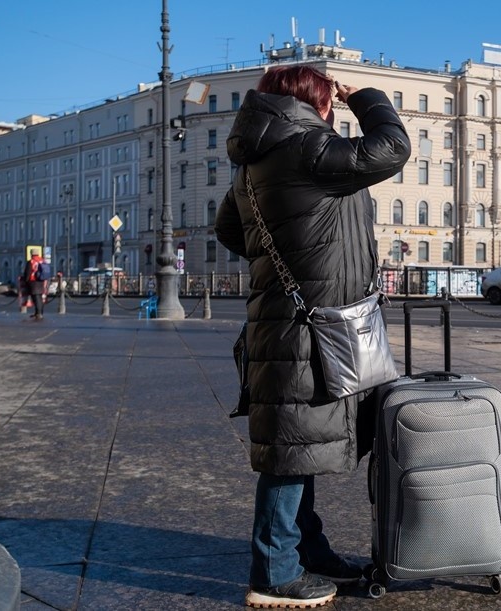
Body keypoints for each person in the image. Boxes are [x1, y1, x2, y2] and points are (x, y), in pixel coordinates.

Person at [214, 65, 410, 608]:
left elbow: (229, 229)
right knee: (290, 450)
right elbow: (392, 147)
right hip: (311, 328)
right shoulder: (307, 148)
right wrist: (366, 98)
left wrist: (295, 252)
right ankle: (274, 574)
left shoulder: (254, 162)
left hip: (286, 320)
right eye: (330, 98)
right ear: (319, 101)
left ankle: (307, 551)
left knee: (300, 444)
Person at [22, 249, 46, 320]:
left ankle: (38, 313)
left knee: (36, 298)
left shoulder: (31, 262)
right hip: (41, 281)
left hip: (33, 282)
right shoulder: (42, 261)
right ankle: (39, 312)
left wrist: (25, 281)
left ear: (31, 254)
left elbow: (28, 273)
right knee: (40, 297)